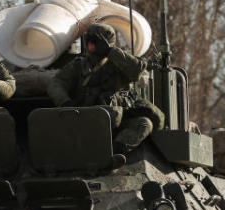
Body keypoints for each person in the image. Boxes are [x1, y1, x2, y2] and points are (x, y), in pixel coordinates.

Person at [47, 22, 164, 158]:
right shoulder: (79, 66)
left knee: (144, 124)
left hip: (117, 123)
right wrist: (65, 102)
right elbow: (56, 83)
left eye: (97, 42)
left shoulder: (120, 63)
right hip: (86, 120)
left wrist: (110, 52)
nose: (93, 47)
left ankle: (112, 154)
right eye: (90, 42)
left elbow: (137, 70)